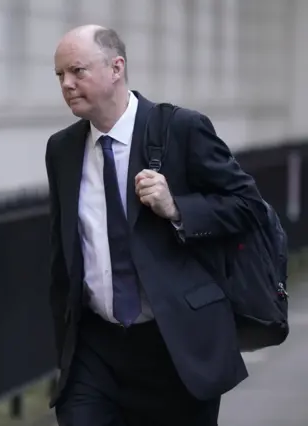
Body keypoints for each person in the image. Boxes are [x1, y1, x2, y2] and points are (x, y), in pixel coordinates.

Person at [45, 25, 268, 425]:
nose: (67, 84)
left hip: (175, 348)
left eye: (77, 71)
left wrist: (178, 208)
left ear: (116, 68)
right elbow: (64, 250)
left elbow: (247, 206)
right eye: (60, 75)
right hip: (95, 350)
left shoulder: (180, 128)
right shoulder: (62, 149)